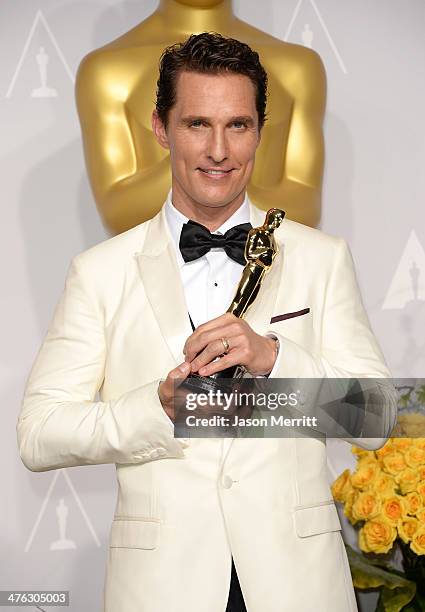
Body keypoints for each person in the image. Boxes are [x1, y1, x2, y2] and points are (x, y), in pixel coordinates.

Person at [18, 33, 396, 612]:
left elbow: (377, 416)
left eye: (238, 125)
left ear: (259, 132)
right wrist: (158, 407)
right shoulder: (99, 272)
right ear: (161, 128)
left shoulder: (321, 258)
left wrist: (276, 360)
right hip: (161, 590)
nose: (219, 150)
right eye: (198, 124)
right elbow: (39, 433)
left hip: (297, 588)